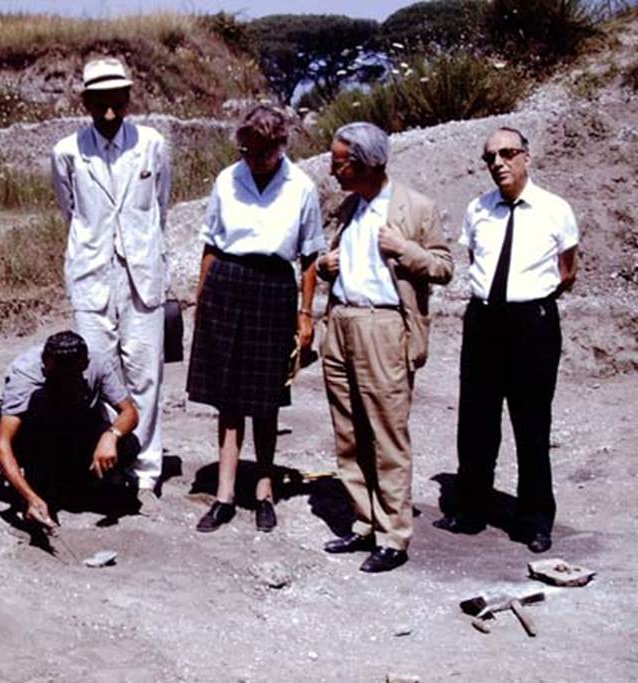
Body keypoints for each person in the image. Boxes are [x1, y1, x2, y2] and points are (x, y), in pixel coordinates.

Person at [435, 127, 578, 554]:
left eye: (507, 153)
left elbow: (567, 270)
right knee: (476, 420)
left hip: (532, 322)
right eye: (490, 157)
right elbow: (475, 260)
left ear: (526, 157)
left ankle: (534, 519)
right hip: (484, 320)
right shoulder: (478, 209)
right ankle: (471, 508)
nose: (498, 163)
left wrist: (530, 301)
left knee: (531, 422)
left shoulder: (555, 209)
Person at [317, 122, 453, 573]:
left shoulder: (416, 207)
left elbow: (443, 267)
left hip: (384, 325)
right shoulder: (348, 207)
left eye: (338, 162)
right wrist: (327, 266)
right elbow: (341, 263)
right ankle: (365, 522)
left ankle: (394, 535)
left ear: (364, 164)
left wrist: (404, 248)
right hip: (341, 321)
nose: (332, 171)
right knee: (349, 432)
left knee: (386, 434)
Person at [186, 105, 324, 533]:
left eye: (263, 152)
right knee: (228, 399)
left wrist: (305, 314)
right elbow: (211, 245)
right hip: (227, 284)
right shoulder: (227, 179)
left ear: (280, 146)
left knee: (266, 398)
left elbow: (310, 256)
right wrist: (202, 302)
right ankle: (225, 495)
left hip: (273, 289)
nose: (254, 159)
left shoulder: (301, 186)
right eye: (246, 151)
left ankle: (264, 490)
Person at [51, 57, 171, 492]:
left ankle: (146, 467)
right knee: (96, 369)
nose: (108, 113)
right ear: (85, 102)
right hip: (92, 271)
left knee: (145, 370)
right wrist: (95, 247)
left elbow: (159, 205)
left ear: (128, 98)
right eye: (99, 103)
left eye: (116, 102)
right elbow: (70, 211)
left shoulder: (151, 144)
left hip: (141, 271)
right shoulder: (68, 152)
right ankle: (107, 458)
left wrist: (144, 250)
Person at [0, 331, 141, 528]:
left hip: (74, 428)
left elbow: (129, 412)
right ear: (45, 364)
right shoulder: (25, 374)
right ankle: (38, 489)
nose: (66, 381)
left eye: (72, 376)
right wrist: (30, 497)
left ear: (84, 364)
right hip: (36, 434)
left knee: (128, 445)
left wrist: (111, 436)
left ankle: (79, 486)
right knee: (37, 402)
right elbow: (1, 444)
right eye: (59, 375)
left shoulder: (97, 362)